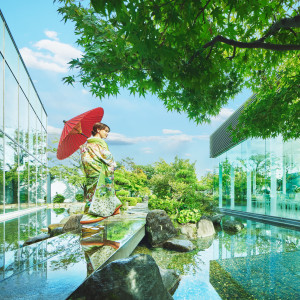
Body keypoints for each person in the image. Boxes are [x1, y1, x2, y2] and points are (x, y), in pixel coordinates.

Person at [80, 122, 122, 224]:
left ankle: (92, 210)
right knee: (101, 188)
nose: (107, 134)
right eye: (106, 131)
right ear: (98, 130)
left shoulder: (86, 144)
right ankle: (101, 210)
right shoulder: (99, 143)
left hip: (91, 170)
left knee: (92, 190)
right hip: (99, 170)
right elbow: (107, 156)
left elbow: (85, 159)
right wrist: (112, 161)